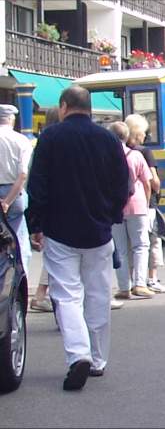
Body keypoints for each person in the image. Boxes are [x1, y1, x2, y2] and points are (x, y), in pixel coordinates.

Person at [27, 85, 131, 389]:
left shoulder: (50, 138)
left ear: (63, 107)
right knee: (98, 294)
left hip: (60, 229)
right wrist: (112, 215)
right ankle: (98, 359)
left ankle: (78, 354)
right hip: (99, 231)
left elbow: (38, 184)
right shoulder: (108, 139)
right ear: (89, 108)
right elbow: (122, 183)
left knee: (67, 295)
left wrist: (36, 224)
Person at [125, 115, 165, 294]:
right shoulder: (145, 152)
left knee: (127, 246)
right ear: (138, 132)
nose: (146, 135)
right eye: (144, 131)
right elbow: (153, 182)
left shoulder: (120, 150)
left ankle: (128, 281)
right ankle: (151, 279)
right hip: (144, 205)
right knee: (150, 242)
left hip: (122, 205)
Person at [118, 115, 158, 298]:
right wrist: (147, 202)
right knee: (141, 245)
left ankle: (123, 288)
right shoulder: (137, 156)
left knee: (121, 249)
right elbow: (149, 183)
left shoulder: (108, 156)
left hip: (116, 208)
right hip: (137, 206)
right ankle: (140, 284)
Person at [29, 108, 61, 312]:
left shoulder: (42, 142)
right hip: (57, 210)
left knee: (54, 255)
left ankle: (41, 295)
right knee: (57, 256)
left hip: (46, 208)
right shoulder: (54, 144)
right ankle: (41, 295)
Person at [0, 104, 33, 291]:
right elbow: (23, 174)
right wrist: (8, 201)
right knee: (19, 240)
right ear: (12, 119)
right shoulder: (21, 140)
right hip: (14, 192)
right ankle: (20, 287)